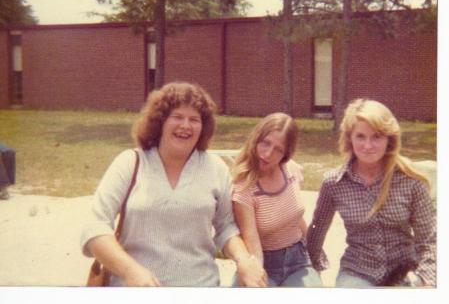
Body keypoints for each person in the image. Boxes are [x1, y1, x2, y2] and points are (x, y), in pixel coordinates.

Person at [80, 82, 267, 287]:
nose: (185, 126)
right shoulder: (130, 162)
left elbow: (226, 228)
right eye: (177, 117)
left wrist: (243, 260)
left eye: (194, 119)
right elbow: (94, 227)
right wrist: (130, 271)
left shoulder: (216, 169)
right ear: (159, 122)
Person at [307, 99, 436, 287]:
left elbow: (430, 241)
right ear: (350, 138)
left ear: (389, 139)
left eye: (376, 137)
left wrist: (427, 280)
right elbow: (316, 233)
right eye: (360, 136)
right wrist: (313, 271)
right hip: (358, 271)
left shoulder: (412, 180)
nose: (368, 146)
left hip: (405, 270)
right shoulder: (333, 183)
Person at [231, 113, 322, 287]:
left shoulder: (291, 169)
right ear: (256, 139)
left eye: (278, 149)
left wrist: (315, 260)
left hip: (299, 261)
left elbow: (297, 217)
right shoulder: (243, 187)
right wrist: (257, 277)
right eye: (265, 143)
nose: (268, 153)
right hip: (264, 262)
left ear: (286, 154)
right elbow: (252, 243)